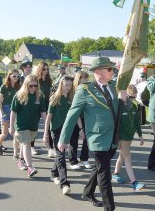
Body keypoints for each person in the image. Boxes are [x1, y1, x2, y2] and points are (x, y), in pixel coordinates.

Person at [58, 57, 126, 211]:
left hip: (113, 137)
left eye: (112, 69)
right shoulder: (85, 89)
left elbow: (121, 109)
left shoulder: (115, 86)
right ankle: (110, 207)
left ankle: (87, 192)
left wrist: (124, 99)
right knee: (104, 173)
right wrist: (64, 139)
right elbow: (72, 114)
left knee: (98, 167)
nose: (112, 71)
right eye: (109, 69)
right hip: (97, 137)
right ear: (98, 71)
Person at [43, 76, 80, 195]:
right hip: (56, 130)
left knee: (60, 154)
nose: (68, 87)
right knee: (61, 156)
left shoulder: (71, 98)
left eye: (70, 85)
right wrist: (45, 134)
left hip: (66, 130)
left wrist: (82, 129)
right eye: (66, 85)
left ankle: (54, 173)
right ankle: (64, 184)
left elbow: (75, 115)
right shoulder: (54, 98)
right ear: (61, 85)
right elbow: (48, 118)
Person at [9, 75, 47, 177]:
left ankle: (21, 160)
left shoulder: (40, 96)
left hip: (33, 125)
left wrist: (47, 127)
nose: (33, 88)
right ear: (26, 85)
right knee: (27, 144)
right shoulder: (19, 95)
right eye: (31, 86)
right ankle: (30, 167)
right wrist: (11, 126)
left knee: (26, 143)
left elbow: (43, 112)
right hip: (21, 125)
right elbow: (13, 111)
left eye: (35, 86)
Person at [112, 84, 146, 191]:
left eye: (135, 97)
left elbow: (136, 122)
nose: (133, 99)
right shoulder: (119, 106)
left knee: (122, 156)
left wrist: (140, 136)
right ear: (125, 95)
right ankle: (134, 183)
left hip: (130, 137)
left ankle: (115, 174)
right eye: (131, 97)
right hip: (122, 137)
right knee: (128, 159)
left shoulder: (134, 107)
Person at [67, 71, 92, 170]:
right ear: (78, 80)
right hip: (74, 117)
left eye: (86, 81)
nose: (85, 83)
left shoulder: (88, 90)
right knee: (73, 140)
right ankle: (73, 161)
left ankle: (84, 158)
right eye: (83, 81)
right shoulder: (72, 91)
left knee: (86, 139)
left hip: (85, 117)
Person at [0, 69, 21, 156]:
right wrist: (1, 113)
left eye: (18, 76)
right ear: (9, 76)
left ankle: (17, 152)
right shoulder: (4, 87)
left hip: (15, 110)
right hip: (6, 110)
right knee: (5, 133)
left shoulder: (19, 87)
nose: (16, 78)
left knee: (16, 133)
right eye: (14, 76)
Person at [35, 62, 54, 157]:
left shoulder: (49, 80)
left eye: (47, 69)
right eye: (44, 69)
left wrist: (51, 103)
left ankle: (51, 148)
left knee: (49, 125)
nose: (46, 71)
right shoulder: (35, 80)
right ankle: (31, 146)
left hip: (46, 104)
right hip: (36, 105)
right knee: (34, 125)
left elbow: (50, 94)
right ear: (40, 69)